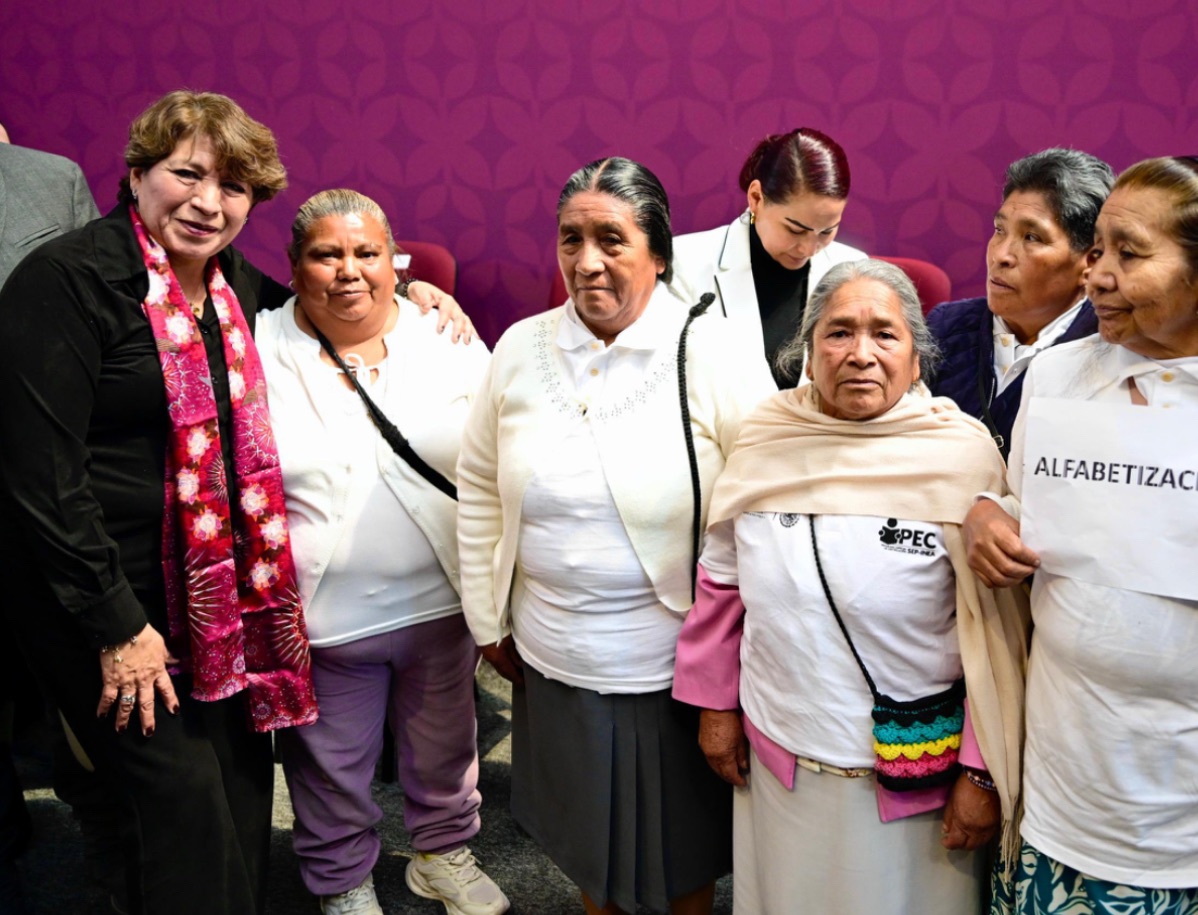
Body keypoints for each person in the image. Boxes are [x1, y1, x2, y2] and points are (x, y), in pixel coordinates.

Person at [457, 157, 775, 915]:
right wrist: (485, 617)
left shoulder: (715, 352)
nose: (587, 260)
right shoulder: (520, 347)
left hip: (671, 667)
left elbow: (764, 504)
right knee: (589, 850)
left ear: (658, 252)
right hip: (552, 656)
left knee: (678, 858)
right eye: (571, 239)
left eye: (611, 239)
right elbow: (478, 487)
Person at [673, 260, 1030, 914]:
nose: (861, 353)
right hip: (780, 755)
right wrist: (714, 708)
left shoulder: (963, 458)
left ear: (916, 360)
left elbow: (998, 638)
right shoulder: (767, 439)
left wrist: (982, 773)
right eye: (838, 332)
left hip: (916, 776)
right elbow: (722, 581)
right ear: (808, 355)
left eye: (884, 334)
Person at [259, 189, 507, 915]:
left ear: (393, 260)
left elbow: (501, 443)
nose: (349, 270)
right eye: (326, 254)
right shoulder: (260, 344)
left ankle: (442, 853)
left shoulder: (445, 334)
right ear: (294, 265)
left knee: (447, 748)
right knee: (330, 763)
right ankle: (342, 878)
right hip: (326, 618)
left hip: (443, 604)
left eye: (366, 252)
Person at [964, 157, 1198, 914]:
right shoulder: (1061, 375)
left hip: (1178, 819)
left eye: (1130, 253)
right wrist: (988, 513)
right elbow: (1021, 500)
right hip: (1061, 787)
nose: (1097, 275)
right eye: (1097, 249)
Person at [0, 121, 102, 915]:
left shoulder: (48, 177)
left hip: (50, 465)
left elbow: (110, 295)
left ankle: (99, 819)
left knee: (75, 668)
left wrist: (409, 299)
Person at [926, 148, 1114, 454]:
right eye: (999, 230)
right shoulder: (945, 329)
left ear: (1090, 262)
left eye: (1032, 237)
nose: (1000, 255)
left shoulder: (1111, 352)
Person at [671, 128, 866, 385]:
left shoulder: (855, 271)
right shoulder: (684, 264)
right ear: (756, 198)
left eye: (827, 231)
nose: (809, 249)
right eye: (795, 230)